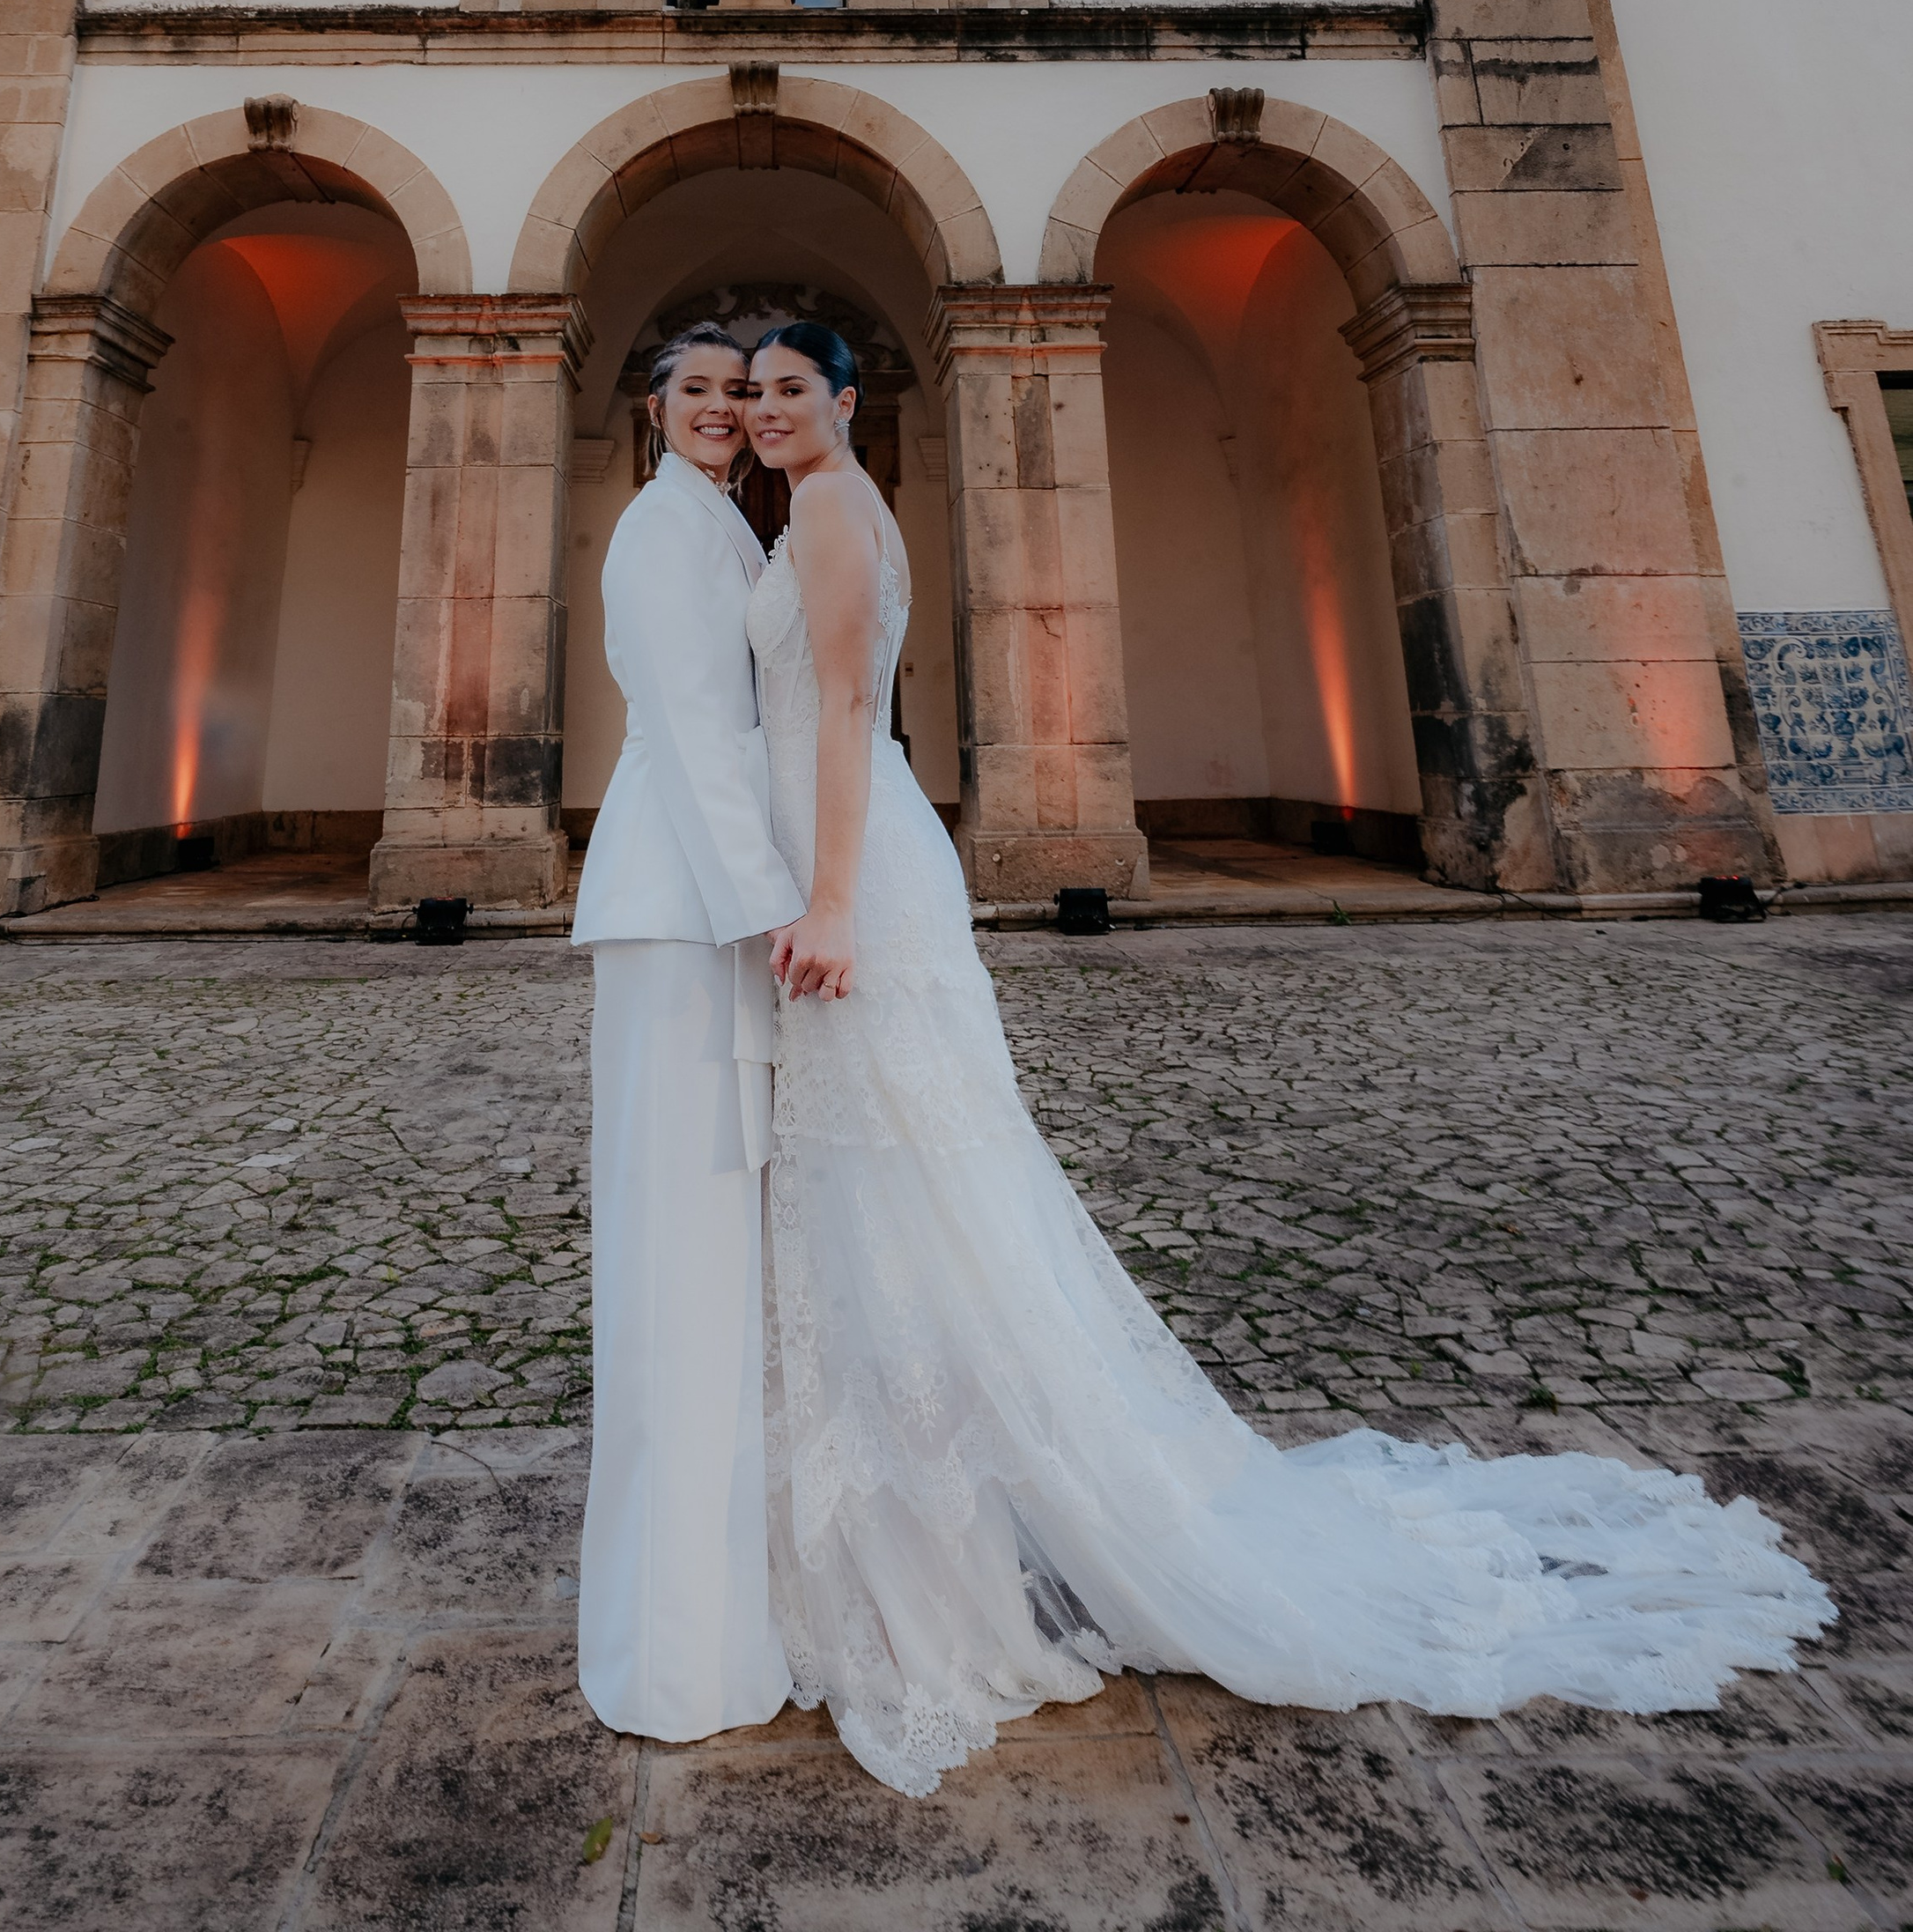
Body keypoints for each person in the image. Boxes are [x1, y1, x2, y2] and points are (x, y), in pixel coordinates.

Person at [742, 320, 1834, 1801]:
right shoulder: (826, 505)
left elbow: (852, 710)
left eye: (789, 387)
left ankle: (924, 1530)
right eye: (749, 392)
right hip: (856, 855)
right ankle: (921, 1499)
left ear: (847, 400)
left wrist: (825, 895)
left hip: (853, 863)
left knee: (904, 1172)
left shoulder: (820, 508)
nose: (761, 409)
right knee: (913, 1180)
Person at [571, 324, 808, 1747]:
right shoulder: (663, 536)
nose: (723, 408)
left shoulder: (718, 523)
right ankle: (674, 1651)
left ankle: (723, 1607)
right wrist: (772, 911)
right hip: (685, 914)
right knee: (677, 1255)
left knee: (715, 1258)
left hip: (708, 904)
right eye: (700, 390)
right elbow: (697, 736)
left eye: (740, 389)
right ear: (654, 409)